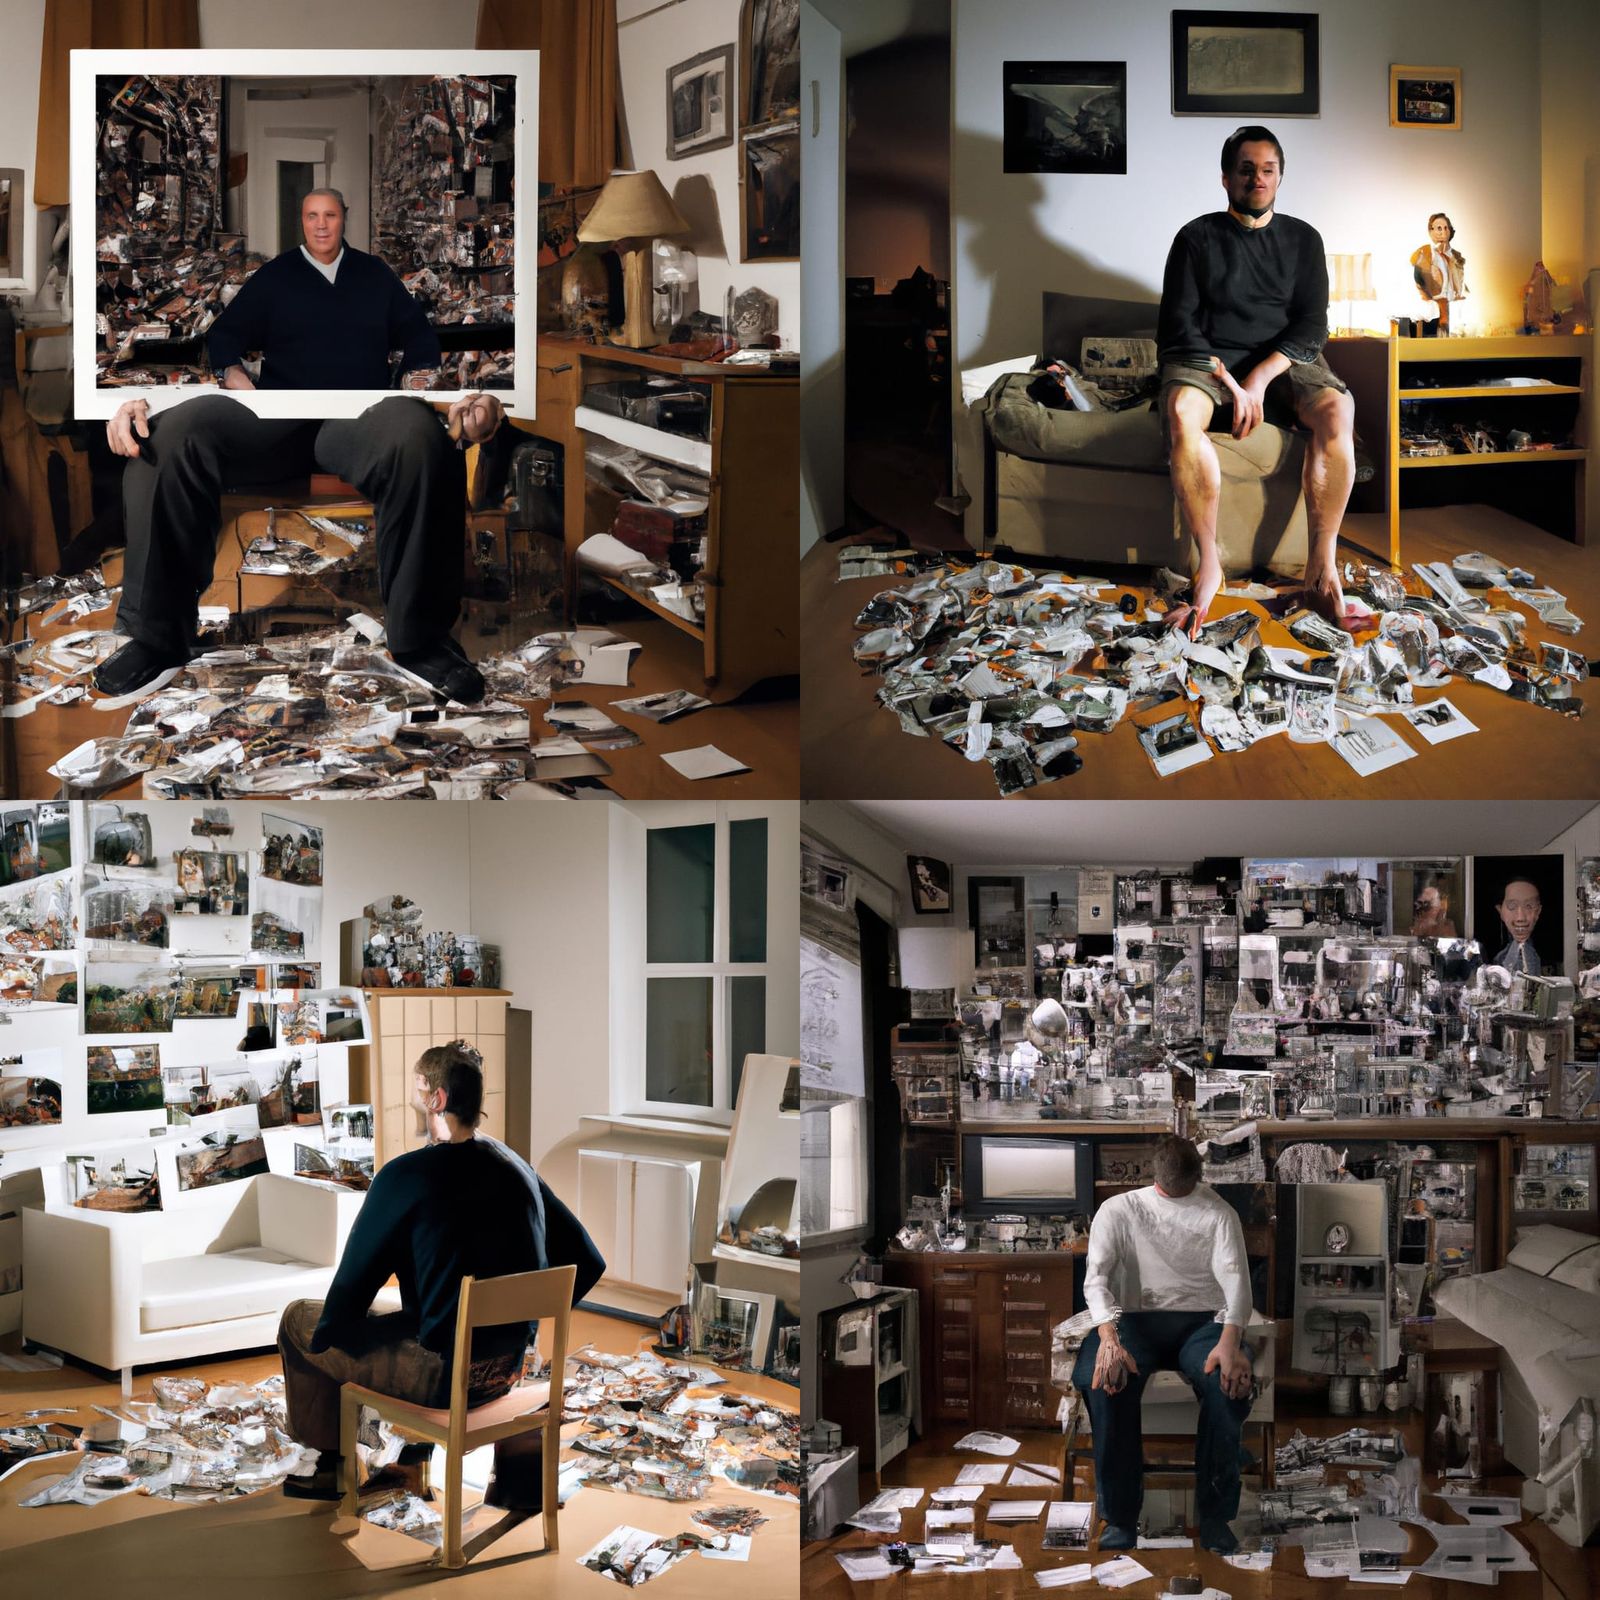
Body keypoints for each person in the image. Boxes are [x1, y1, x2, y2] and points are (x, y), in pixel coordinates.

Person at [95, 188, 506, 704]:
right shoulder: (277, 276)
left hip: (357, 419)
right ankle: (155, 639)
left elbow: (420, 342)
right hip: (274, 419)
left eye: (329, 215)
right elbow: (222, 342)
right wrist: (236, 382)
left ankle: (421, 641)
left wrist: (412, 388)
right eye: (311, 216)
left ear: (343, 219)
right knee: (172, 437)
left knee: (417, 437)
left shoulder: (374, 275)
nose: (320, 225)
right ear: (302, 222)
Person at [276, 1040, 605, 1506]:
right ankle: (414, 1466)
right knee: (427, 1316)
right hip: (512, 1369)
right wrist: (517, 1324)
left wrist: (338, 1335)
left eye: (417, 1088)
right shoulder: (515, 1166)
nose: (413, 1098)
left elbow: (350, 1288)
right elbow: (587, 1262)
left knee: (300, 1323)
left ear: (436, 1098)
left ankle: (332, 1468)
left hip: (443, 1379)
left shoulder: (406, 1175)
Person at [1157, 126, 1360, 640]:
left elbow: (1313, 326)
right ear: (1226, 177)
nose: (1258, 178)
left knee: (1339, 412)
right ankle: (1210, 566)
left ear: (1279, 177)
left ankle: (1322, 566)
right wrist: (1225, 378)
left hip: (1281, 364)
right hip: (1207, 364)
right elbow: (1177, 325)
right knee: (1182, 413)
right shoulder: (1195, 237)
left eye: (1268, 169)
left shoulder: (1304, 239)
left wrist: (1260, 378)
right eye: (1247, 169)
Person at [1073, 1134, 1254, 1554]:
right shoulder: (1118, 1210)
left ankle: (1214, 1516)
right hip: (1133, 1320)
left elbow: (1236, 1281)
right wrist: (1108, 1338)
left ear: (1198, 1177)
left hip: (1201, 1322)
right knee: (1105, 1383)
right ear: (1154, 1175)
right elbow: (1096, 1279)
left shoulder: (1218, 1212)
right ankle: (1119, 1517)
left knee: (1225, 1388)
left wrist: (1231, 1341)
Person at [1409, 212, 1468, 333]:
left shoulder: (1456, 257)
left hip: (1454, 314)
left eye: (1446, 228)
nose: (1443, 232)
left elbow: (1460, 287)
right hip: (1432, 316)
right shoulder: (1425, 254)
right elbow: (1424, 286)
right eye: (1438, 228)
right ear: (1430, 232)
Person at [1491, 876, 1545, 975]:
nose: (1520, 918)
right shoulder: (1499, 957)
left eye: (1529, 906)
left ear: (1538, 911)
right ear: (1500, 911)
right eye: (1512, 906)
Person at [1409, 873, 1459, 939]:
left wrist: (1440, 923)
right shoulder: (1430, 892)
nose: (1445, 885)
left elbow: (1441, 915)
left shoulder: (1444, 897)